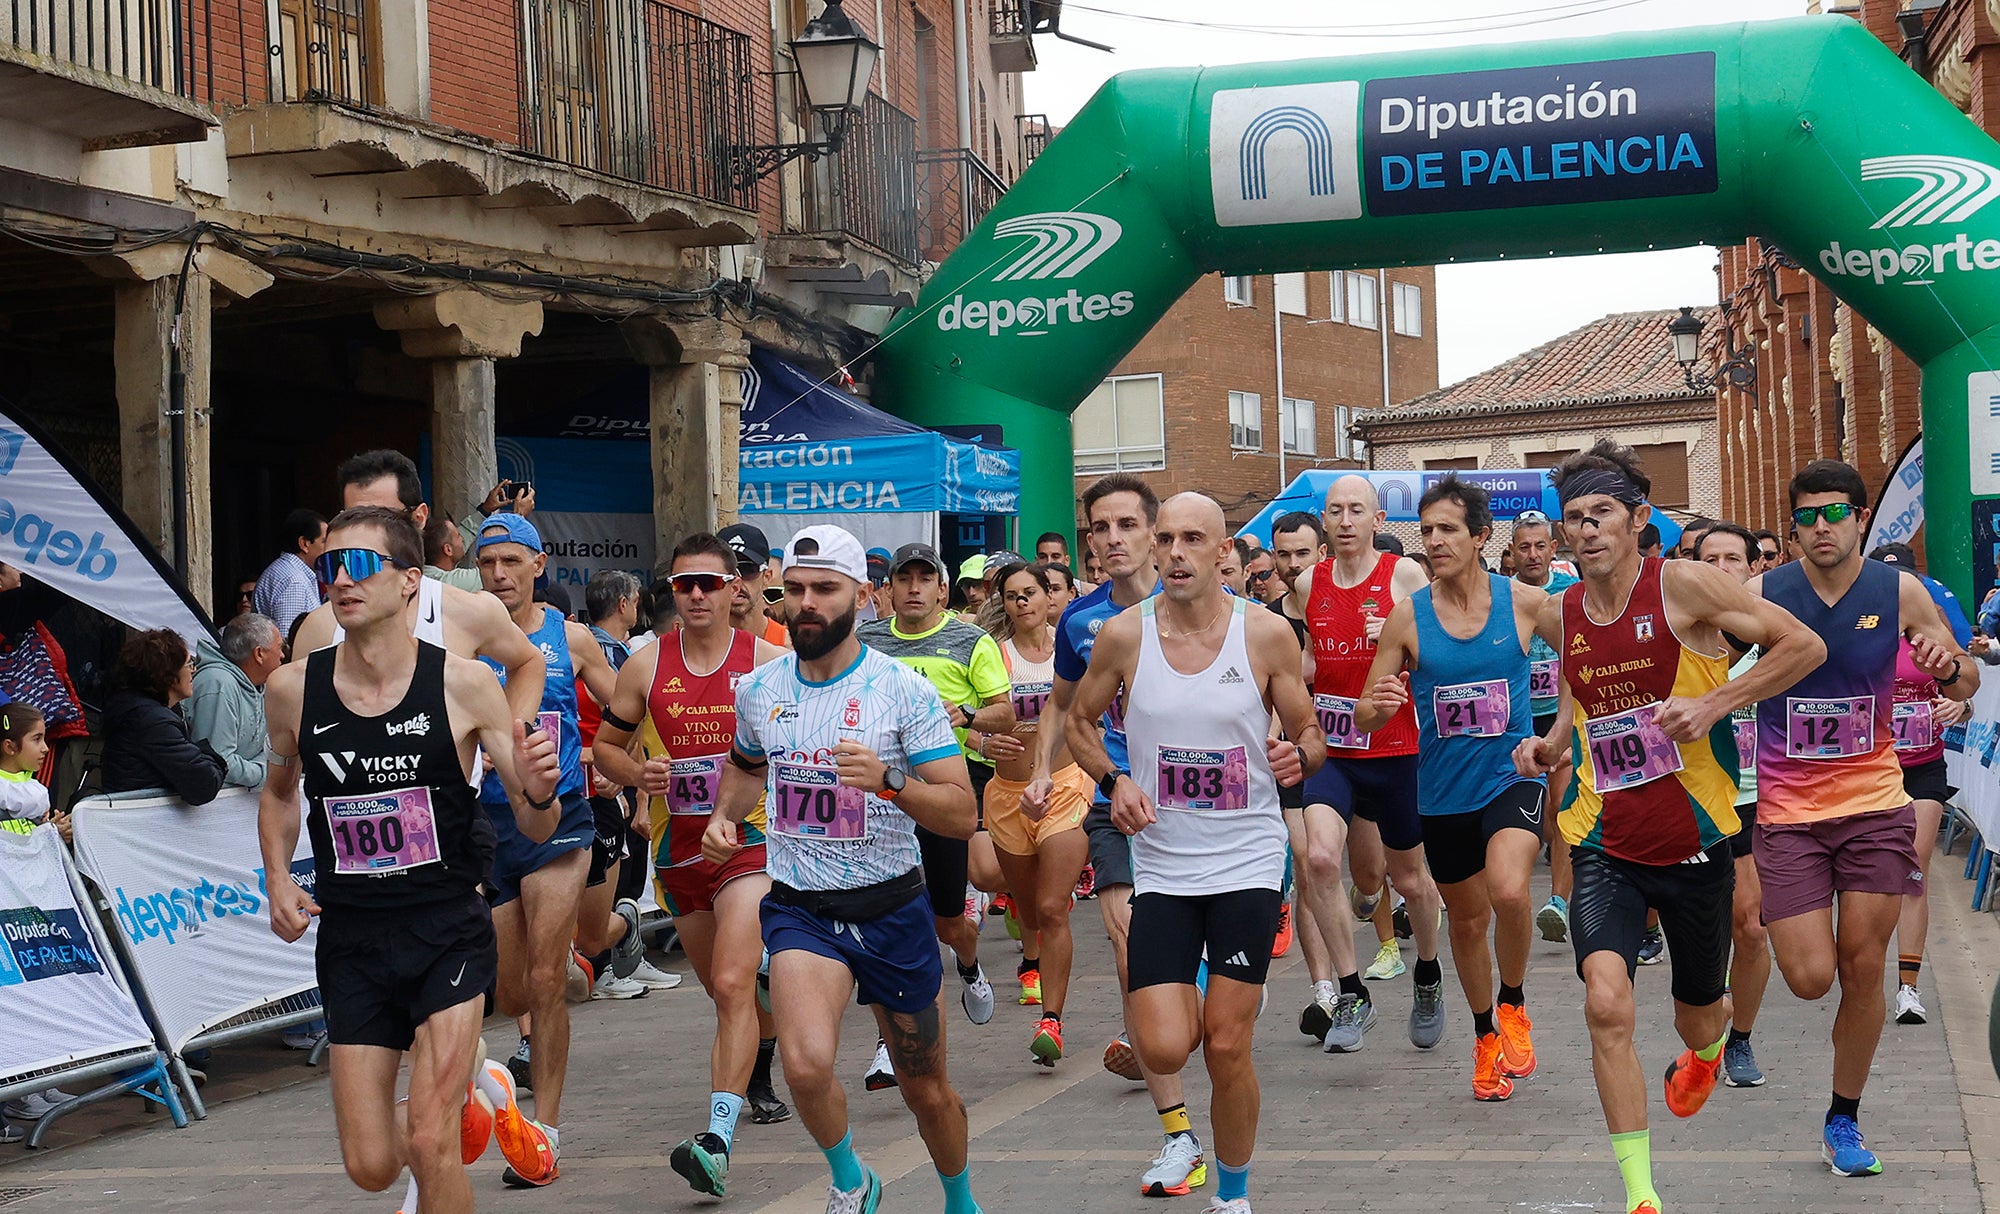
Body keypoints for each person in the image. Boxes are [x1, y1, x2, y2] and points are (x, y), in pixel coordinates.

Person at [1514, 440, 1824, 1214]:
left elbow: (1804, 644)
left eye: (1602, 515)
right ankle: (1641, 1194)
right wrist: (1550, 744)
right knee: (1605, 1002)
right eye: (1573, 519)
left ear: (1639, 519)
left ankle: (1711, 1049)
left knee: (1697, 1014)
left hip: (1693, 841)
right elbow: (1583, 702)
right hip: (1602, 837)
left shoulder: (1683, 584)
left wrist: (1718, 702)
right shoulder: (1564, 610)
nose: (1585, 531)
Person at [258, 505, 562, 1214]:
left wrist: (540, 791)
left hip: (446, 928)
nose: (342, 579)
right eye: (332, 565)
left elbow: (531, 820)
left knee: (429, 1144)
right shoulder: (292, 690)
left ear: (410, 583)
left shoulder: (464, 684)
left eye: (362, 564)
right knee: (370, 1167)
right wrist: (276, 875)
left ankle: (453, 1105)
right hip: (353, 940)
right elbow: (277, 794)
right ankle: (481, 1092)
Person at [701, 524, 982, 1214]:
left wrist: (889, 781)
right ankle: (852, 1179)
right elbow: (743, 768)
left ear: (863, 596)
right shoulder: (759, 689)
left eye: (824, 589)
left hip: (891, 909)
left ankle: (961, 1199)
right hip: (803, 910)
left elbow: (960, 812)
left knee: (926, 1091)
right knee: (803, 1063)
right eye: (793, 590)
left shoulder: (904, 692)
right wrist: (723, 818)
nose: (806, 603)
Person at [1068, 491, 1324, 1214]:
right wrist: (1113, 780)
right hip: (1164, 863)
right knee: (1163, 1047)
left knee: (1225, 1047)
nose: (1176, 553)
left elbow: (1312, 733)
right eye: (1167, 539)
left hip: (1245, 859)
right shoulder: (1123, 636)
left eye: (1193, 539)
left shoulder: (1267, 635)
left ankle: (1233, 1198)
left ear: (1225, 554)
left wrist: (1294, 756)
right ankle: (1216, 995)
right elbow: (1081, 723)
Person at [1749, 461, 1975, 1177]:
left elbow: (1965, 675)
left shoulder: (1899, 589)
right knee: (1811, 977)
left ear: (1858, 517)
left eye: (1836, 513)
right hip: (1787, 813)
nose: (1822, 527)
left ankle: (1843, 1118)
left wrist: (1947, 667)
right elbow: (1702, 661)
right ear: (1793, 527)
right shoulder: (1763, 594)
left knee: (1861, 967)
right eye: (1808, 516)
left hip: (1877, 806)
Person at [593, 534, 792, 1198]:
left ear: (737, 587)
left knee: (733, 985)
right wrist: (637, 771)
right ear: (670, 593)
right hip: (678, 854)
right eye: (685, 585)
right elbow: (606, 750)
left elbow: (802, 749)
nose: (698, 594)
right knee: (727, 992)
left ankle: (715, 1140)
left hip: (749, 847)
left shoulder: (768, 660)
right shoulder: (645, 667)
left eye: (710, 582)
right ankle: (763, 1023)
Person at [1029, 473, 1208, 1199]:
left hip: (1203, 801)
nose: (1111, 540)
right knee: (1130, 935)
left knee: (1209, 975)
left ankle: (1183, 1005)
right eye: (1099, 529)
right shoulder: (1079, 622)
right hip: (1117, 797)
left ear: (1154, 532)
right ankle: (1177, 1135)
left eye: (1126, 526)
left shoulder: (1204, 612)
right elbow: (1064, 706)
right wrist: (1046, 768)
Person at [1353, 478, 1541, 1101]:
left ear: (1481, 536)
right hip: (1440, 791)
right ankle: (1486, 1036)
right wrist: (1380, 703)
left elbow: (1584, 659)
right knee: (1466, 919)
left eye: (1448, 530)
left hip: (1508, 777)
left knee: (1511, 889)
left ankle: (1513, 1004)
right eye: (1426, 531)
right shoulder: (1409, 616)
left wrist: (1557, 737)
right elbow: (1365, 715)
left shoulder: (1524, 602)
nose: (1433, 541)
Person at [470, 512, 618, 1188]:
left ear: (538, 566)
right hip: (485, 829)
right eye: (487, 562)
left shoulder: (572, 637)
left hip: (558, 820)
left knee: (541, 978)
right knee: (506, 991)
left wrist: (616, 761)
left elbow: (628, 704)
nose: (498, 574)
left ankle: (546, 1132)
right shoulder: (459, 644)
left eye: (510, 561)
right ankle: (567, 971)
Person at [1287, 481, 1447, 1054]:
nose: (1346, 520)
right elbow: (1307, 661)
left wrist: (1403, 638)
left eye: (1357, 510)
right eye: (1336, 511)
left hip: (1396, 749)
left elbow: (1442, 648)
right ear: (1324, 522)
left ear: (1376, 517)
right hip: (1334, 750)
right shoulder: (1310, 583)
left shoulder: (1403, 574)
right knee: (1321, 859)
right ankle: (1351, 990)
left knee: (1409, 880)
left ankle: (1427, 972)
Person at [857, 543, 1008, 1087]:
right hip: (879, 802)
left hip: (945, 796)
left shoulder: (972, 640)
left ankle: (968, 964)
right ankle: (886, 1043)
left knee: (948, 922)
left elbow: (1005, 711)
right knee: (890, 919)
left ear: (943, 589)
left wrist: (964, 713)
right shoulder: (865, 642)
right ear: (888, 589)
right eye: (905, 579)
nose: (915, 588)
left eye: (926, 578)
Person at [291, 450, 548, 724]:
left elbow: (528, 663)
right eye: (352, 517)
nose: (362, 533)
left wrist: (513, 742)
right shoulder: (320, 628)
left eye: (382, 518)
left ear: (419, 517)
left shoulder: (465, 611)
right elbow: (294, 736)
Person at [980, 562, 1093, 1066]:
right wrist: (982, 739)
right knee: (1029, 911)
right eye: (1012, 595)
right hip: (1007, 792)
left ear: (1052, 598)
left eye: (1033, 592)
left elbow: (1091, 712)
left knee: (1051, 907)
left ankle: (1052, 1020)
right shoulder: (992, 655)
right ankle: (1032, 954)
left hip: (1065, 786)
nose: (1023, 602)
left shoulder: (1072, 650)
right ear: (1002, 604)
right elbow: (967, 722)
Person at [1693, 523, 1776, 1089]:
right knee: (1704, 930)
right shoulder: (1675, 632)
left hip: (1754, 798)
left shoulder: (1778, 637)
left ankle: (1740, 1039)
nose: (1721, 569)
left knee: (1750, 926)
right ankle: (1707, 1019)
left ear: (1752, 569)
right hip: (1692, 798)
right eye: (1710, 559)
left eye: (1733, 559)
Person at [570, 569, 672, 1001]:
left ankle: (612, 957)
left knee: (598, 918)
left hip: (602, 793)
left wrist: (626, 778)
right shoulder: (597, 650)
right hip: (559, 797)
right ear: (624, 605)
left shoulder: (610, 655)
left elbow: (630, 723)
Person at [1510, 510, 1581, 942]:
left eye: (1540, 545)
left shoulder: (1571, 594)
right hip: (1516, 717)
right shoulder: (1504, 597)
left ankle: (1557, 902)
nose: (1533, 554)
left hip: (1560, 713)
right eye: (1524, 547)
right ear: (1512, 552)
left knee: (1559, 808)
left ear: (1554, 549)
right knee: (1525, 817)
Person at [101, 629, 227, 804]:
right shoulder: (153, 721)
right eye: (189, 664)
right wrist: (207, 754)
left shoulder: (146, 711)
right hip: (144, 823)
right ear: (168, 674)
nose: (194, 670)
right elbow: (204, 784)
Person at [182, 613, 285, 790]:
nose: (283, 655)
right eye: (279, 648)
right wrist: (265, 773)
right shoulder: (218, 684)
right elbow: (219, 760)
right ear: (259, 654)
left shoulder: (263, 685)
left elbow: (271, 747)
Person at [1871, 543, 1975, 648]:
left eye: (1903, 576)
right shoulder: (1926, 586)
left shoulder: (1928, 597)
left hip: (1963, 652)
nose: (1897, 583)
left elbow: (1954, 648)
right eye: (1888, 579)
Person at [254, 508, 329, 639]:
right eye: (324, 541)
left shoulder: (292, 573)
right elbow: (289, 641)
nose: (329, 548)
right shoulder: (294, 582)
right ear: (304, 544)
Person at [718, 524, 792, 648]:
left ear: (767, 577)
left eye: (748, 569)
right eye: (727, 571)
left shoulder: (790, 649)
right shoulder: (694, 648)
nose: (737, 580)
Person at [422, 512, 482, 592]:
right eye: (458, 536)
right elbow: (491, 573)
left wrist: (485, 510)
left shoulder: (423, 576)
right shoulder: (446, 582)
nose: (462, 539)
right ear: (448, 550)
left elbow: (466, 533)